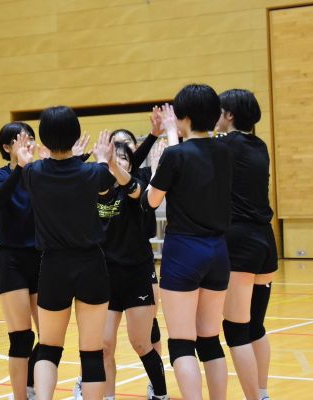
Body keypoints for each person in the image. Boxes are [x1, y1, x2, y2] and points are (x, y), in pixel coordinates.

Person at [15, 106, 116, 400]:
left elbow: (28, 167)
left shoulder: (33, 173)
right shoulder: (94, 172)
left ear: (44, 137)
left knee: (48, 347)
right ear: (75, 134)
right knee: (92, 352)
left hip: (53, 266)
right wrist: (101, 157)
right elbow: (106, 181)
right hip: (91, 264)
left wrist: (24, 158)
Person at [143, 84, 233, 400]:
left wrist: (169, 139)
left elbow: (152, 200)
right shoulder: (226, 150)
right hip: (218, 251)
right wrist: (173, 136)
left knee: (182, 342)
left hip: (184, 251)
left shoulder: (174, 154)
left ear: (185, 118)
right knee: (210, 340)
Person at [216, 89, 277, 400]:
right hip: (266, 240)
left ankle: (255, 398)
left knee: (237, 329)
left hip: (240, 241)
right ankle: (262, 393)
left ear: (229, 115)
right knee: (255, 327)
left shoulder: (226, 146)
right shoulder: (259, 145)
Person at [98, 140, 167, 400]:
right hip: (106, 277)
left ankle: (160, 393)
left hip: (136, 275)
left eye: (124, 157)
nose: (118, 160)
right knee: (104, 346)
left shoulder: (136, 188)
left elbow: (135, 189)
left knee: (140, 343)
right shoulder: (97, 190)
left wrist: (113, 164)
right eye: (114, 156)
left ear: (130, 164)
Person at [0, 122, 40, 399]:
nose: (27, 145)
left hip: (42, 259)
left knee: (50, 338)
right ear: (7, 147)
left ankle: (31, 384)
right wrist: (19, 169)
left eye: (31, 140)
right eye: (21, 141)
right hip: (11, 261)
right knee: (21, 338)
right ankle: (20, 395)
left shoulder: (41, 173)